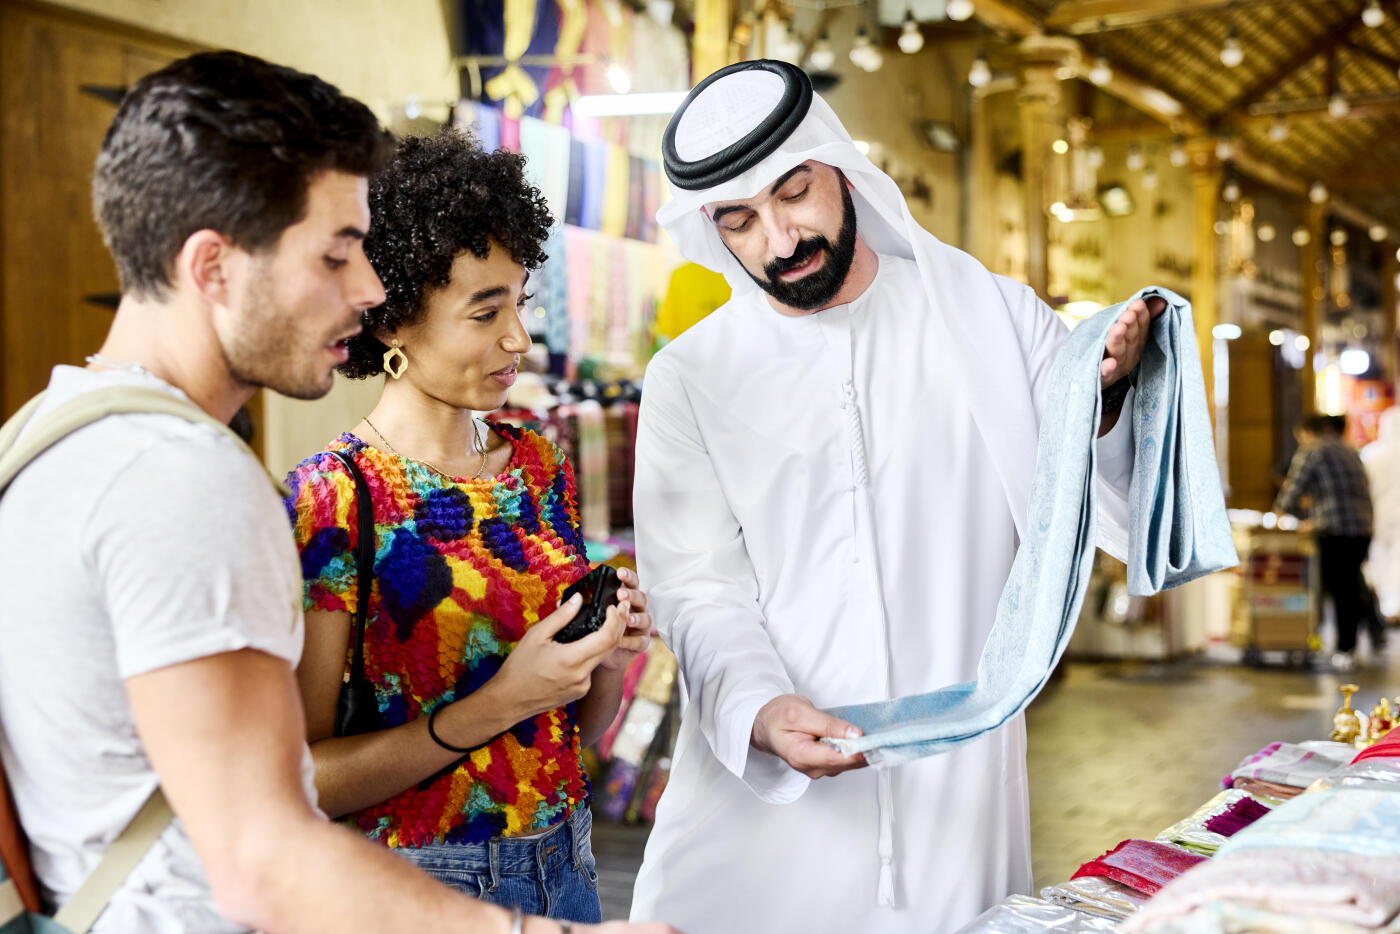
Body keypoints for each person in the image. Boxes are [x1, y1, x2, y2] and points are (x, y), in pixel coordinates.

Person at [0, 51, 672, 934]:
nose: (366, 291)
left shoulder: (46, 432)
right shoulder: (191, 479)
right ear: (213, 266)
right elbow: (266, 846)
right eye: (337, 256)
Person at [628, 60, 1161, 933]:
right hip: (762, 812)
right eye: (740, 220)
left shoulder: (993, 318)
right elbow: (694, 586)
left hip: (955, 787)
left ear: (838, 166)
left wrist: (1100, 400)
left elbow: (1101, 502)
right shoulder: (690, 378)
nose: (778, 240)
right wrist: (759, 711)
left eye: (793, 193)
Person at [284, 130, 653, 924]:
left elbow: (568, 737)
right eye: (486, 311)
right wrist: (499, 701)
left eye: (520, 304)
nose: (518, 339)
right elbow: (305, 778)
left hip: (567, 854)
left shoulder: (538, 466)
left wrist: (607, 660)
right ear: (391, 320)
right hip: (424, 884)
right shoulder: (338, 498)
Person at [1274, 413, 1375, 672]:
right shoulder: (1348, 450)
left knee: (1341, 589)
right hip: (1362, 528)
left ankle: (1344, 649)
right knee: (1352, 585)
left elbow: (1293, 489)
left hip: (1337, 531)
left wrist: (1277, 514)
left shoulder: (1314, 450)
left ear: (1309, 432)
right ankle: (1360, 640)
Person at [1362, 407, 1400, 624]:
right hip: (1384, 516)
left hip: (1376, 517)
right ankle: (1392, 608)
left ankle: (1388, 608)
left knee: (1381, 561)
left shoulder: (1371, 454)